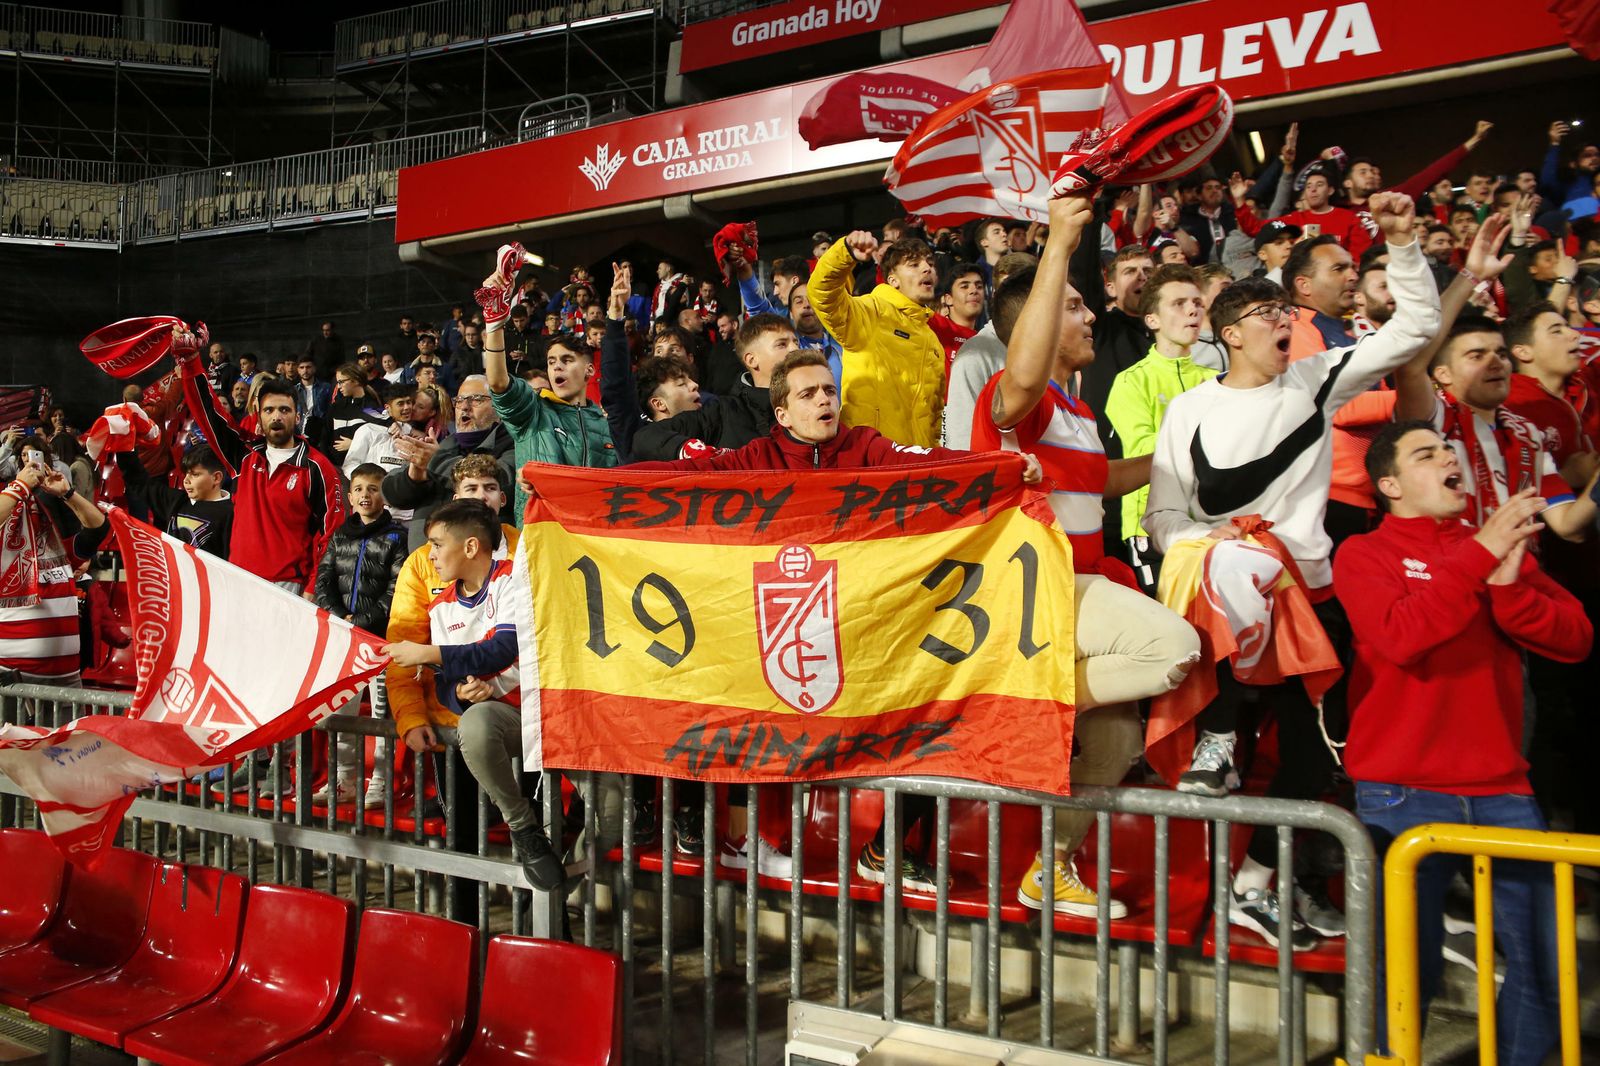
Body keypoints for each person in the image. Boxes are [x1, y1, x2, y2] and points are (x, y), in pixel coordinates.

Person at [627, 348, 1045, 887]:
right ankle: (736, 835)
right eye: (808, 394)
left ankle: (884, 847)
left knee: (937, 704)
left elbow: (928, 462)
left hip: (864, 630)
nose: (824, 400)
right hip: (780, 636)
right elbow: (673, 478)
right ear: (782, 414)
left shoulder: (866, 445)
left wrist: (1002, 467)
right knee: (737, 706)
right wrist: (566, 482)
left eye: (828, 390)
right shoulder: (755, 457)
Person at [1145, 193, 1440, 947]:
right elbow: (1164, 514)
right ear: (1231, 334)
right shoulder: (1188, 411)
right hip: (1229, 596)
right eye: (1267, 316)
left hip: (1313, 596)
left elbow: (1417, 329)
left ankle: (1256, 886)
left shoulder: (1314, 382)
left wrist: (1402, 246)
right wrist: (1211, 548)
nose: (1285, 323)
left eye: (1287, 312)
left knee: (1317, 759)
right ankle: (1215, 739)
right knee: (1235, 561)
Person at [971, 194, 1201, 918]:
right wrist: (1059, 248)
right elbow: (1024, 376)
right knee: (1171, 647)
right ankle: (1011, 698)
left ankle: (1051, 870)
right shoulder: (1021, 400)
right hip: (1034, 590)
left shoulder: (1076, 413)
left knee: (1115, 746)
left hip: (1078, 588)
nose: (1091, 315)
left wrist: (1188, 453)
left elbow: (1104, 480)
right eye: (1073, 307)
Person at [1336, 419, 1591, 1066]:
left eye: (1449, 450)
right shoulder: (1366, 556)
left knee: (1545, 968)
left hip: (1505, 787)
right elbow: (1400, 637)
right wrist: (1480, 558)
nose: (1449, 459)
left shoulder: (1501, 551)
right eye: (1427, 454)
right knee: (1401, 972)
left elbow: (1575, 637)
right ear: (1390, 484)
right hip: (1400, 795)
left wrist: (1507, 590)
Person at [384, 499, 565, 894]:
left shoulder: (515, 578)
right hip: (505, 727)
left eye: (436, 544)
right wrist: (464, 695)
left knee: (603, 816)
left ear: (469, 547)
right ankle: (523, 831)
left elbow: (504, 648)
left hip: (553, 719)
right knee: (475, 723)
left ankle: (565, 877)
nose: (428, 555)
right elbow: (447, 684)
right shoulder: (441, 605)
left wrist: (429, 654)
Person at [478, 251, 618, 523]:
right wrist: (495, 323)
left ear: (589, 369)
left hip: (594, 542)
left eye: (567, 360)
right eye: (552, 361)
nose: (557, 367)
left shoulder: (607, 425)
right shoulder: (534, 411)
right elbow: (498, 382)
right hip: (541, 537)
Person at [1104, 263, 1218, 594]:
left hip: (1209, 520)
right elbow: (1144, 451)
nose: (1192, 311)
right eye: (1178, 304)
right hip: (1150, 525)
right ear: (1152, 320)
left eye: (1197, 302)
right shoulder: (1131, 381)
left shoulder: (1214, 381)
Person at [312, 463, 407, 808]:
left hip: (380, 641)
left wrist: (365, 619)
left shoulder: (397, 536)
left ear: (384, 495)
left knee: (382, 714)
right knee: (341, 712)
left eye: (373, 488)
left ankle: (381, 782)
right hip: (345, 641)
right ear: (350, 496)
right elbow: (323, 581)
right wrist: (341, 618)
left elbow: (397, 588)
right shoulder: (340, 535)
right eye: (360, 489)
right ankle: (344, 781)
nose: (366, 495)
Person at [808, 232, 945, 448]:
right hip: (869, 462)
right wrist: (845, 252)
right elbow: (821, 294)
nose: (927, 268)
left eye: (929, 263)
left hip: (918, 467)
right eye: (914, 264)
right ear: (893, 280)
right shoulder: (871, 312)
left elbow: (935, 420)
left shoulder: (934, 342)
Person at [630, 313, 798, 462]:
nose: (795, 349)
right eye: (782, 344)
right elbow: (645, 438)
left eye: (795, 342)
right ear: (751, 359)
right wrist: (688, 449)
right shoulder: (722, 412)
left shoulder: (820, 402)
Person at [0, 454, 107, 684]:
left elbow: (98, 528)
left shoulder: (61, 554)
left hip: (66, 684)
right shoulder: (3, 557)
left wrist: (67, 494)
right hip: (13, 688)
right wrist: (20, 486)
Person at [384, 374, 515, 549]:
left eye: (476, 400)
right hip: (426, 566)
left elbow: (503, 482)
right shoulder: (444, 445)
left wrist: (436, 461)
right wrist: (414, 478)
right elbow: (388, 493)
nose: (465, 407)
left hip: (483, 563)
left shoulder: (512, 444)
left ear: (499, 407)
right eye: (459, 400)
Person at [943, 251, 1035, 449]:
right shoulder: (976, 355)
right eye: (1007, 289)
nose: (1014, 298)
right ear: (995, 293)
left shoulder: (1055, 352)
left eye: (1024, 289)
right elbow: (961, 442)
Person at [113, 445, 233, 559]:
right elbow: (138, 481)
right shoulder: (176, 501)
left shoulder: (231, 514)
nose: (186, 480)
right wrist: (124, 444)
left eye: (195, 475)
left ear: (216, 478)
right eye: (186, 474)